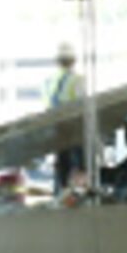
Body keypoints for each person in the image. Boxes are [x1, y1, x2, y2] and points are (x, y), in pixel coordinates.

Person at [46, 43, 84, 192]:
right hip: (74, 130)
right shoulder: (78, 80)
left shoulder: (49, 82)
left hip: (56, 131)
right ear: (74, 61)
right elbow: (84, 106)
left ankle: (60, 194)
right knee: (79, 169)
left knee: (61, 168)